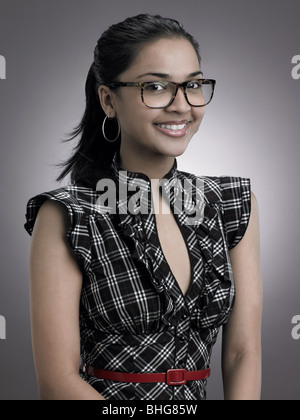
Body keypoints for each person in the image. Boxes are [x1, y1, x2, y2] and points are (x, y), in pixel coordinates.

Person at [24, 14, 262, 400]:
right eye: (155, 86)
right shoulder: (68, 215)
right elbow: (57, 383)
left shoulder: (231, 204)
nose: (181, 105)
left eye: (193, 85)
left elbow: (241, 353)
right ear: (108, 100)